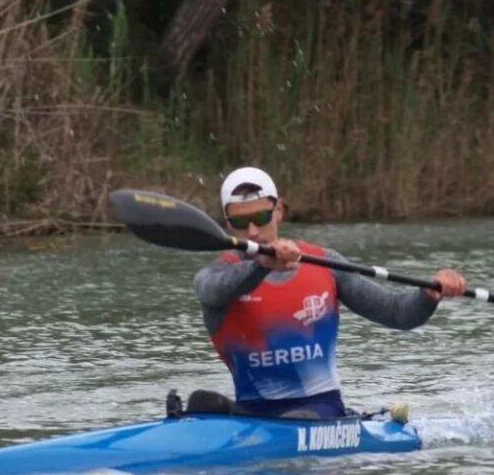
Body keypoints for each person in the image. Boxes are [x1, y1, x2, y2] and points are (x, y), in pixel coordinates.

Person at [188, 166, 467, 420]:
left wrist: (428, 295)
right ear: (226, 224)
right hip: (251, 414)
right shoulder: (216, 276)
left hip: (320, 410)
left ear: (279, 211)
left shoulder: (325, 264)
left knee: (299, 419)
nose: (253, 230)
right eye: (240, 221)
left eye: (261, 216)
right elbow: (212, 292)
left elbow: (397, 313)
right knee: (199, 402)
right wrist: (262, 266)